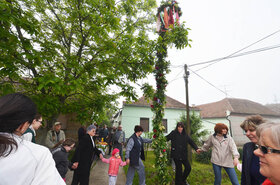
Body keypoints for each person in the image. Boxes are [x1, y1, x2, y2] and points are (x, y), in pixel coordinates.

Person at [0, 93, 65, 185]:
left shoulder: (61, 133)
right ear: (24, 124)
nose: (41, 125)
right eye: (40, 122)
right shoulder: (38, 153)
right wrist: (54, 147)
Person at [240, 115, 266, 185]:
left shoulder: (273, 149)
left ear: (262, 130)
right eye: (246, 131)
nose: (247, 134)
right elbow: (245, 174)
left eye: (251, 130)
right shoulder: (247, 147)